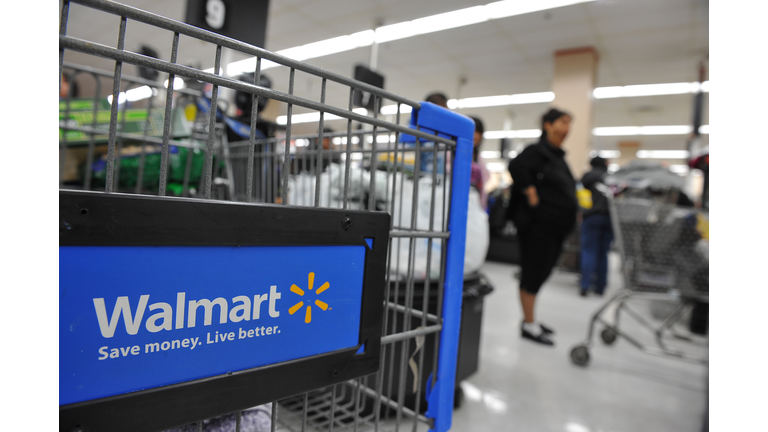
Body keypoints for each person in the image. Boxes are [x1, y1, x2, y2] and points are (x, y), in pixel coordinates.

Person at [507, 108, 578, 346]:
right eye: (563, 122)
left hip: (554, 230)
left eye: (569, 124)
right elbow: (516, 167)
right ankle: (529, 324)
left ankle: (531, 319)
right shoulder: (537, 151)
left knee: (541, 274)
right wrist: (530, 192)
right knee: (533, 274)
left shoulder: (557, 156)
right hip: (538, 227)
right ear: (548, 125)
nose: (567, 128)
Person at [579, 156, 613, 297]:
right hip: (610, 218)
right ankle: (600, 287)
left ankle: (585, 286)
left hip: (592, 217)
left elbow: (579, 194)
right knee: (603, 253)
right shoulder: (611, 178)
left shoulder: (587, 177)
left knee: (589, 251)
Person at [468, 116, 490, 210]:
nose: (474, 135)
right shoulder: (451, 153)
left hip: (475, 204)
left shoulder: (479, 159)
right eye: (471, 130)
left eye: (477, 131)